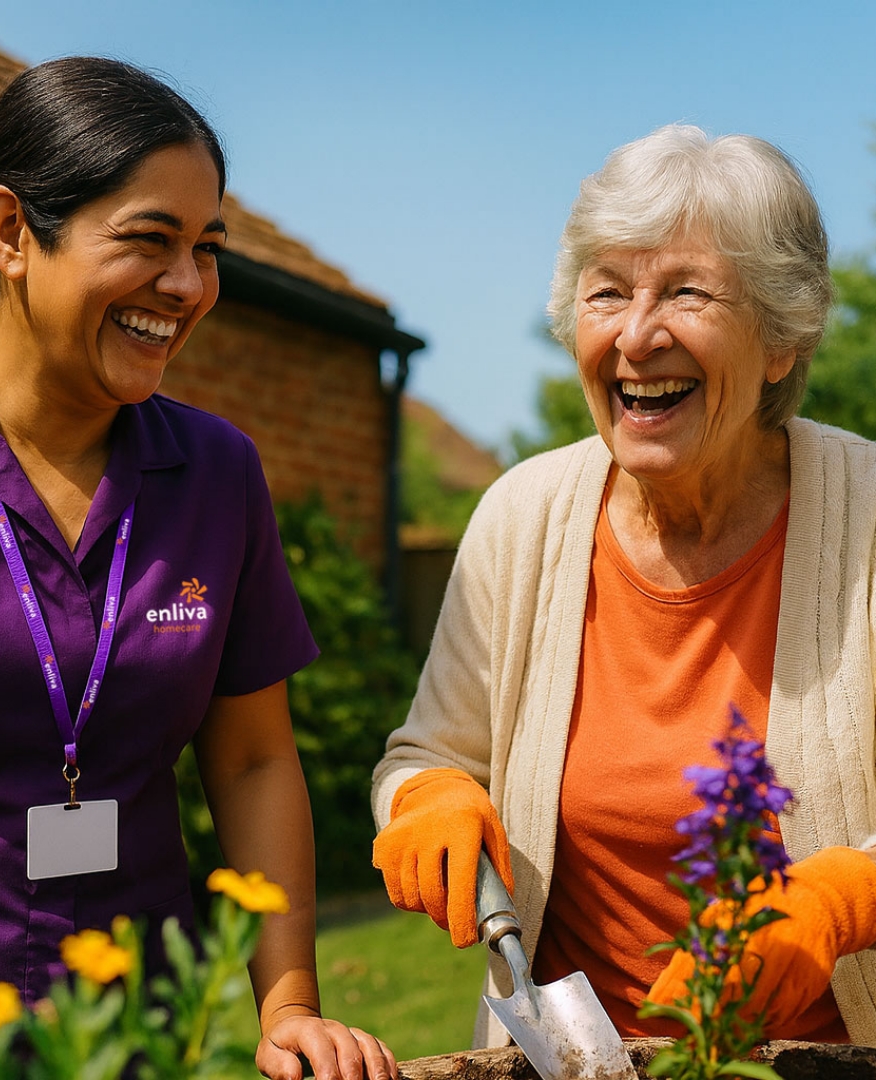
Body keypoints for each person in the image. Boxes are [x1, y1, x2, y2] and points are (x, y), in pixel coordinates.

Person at [0, 56, 396, 1080]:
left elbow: (252, 760)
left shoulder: (217, 471)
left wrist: (288, 1002)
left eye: (207, 249)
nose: (188, 287)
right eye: (149, 241)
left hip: (138, 1041)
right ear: (11, 232)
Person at [372, 124, 876, 1049]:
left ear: (782, 339)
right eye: (607, 292)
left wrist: (845, 899)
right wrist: (425, 799)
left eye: (687, 292)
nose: (637, 335)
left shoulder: (870, 519)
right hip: (575, 1060)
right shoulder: (521, 515)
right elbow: (425, 756)